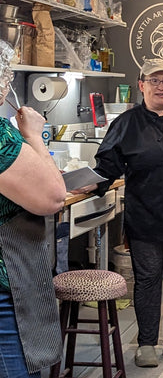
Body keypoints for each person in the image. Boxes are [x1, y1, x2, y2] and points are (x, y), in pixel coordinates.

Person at [75, 58, 163, 368]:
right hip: (146, 215)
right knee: (148, 280)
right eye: (154, 80)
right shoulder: (125, 124)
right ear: (142, 85)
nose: (161, 86)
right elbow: (107, 167)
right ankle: (147, 342)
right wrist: (88, 184)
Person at [0, 39, 67, 377]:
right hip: (5, 286)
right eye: (7, 77)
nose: (9, 84)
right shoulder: (1, 140)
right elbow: (54, 197)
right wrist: (34, 136)